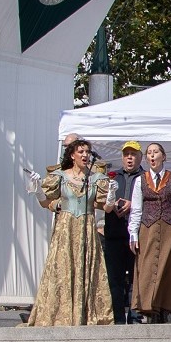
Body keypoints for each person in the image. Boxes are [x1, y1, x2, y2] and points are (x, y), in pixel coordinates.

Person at [29, 139, 115, 327]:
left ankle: (86, 315)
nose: (85, 155)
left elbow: (107, 208)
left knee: (87, 268)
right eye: (81, 151)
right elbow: (45, 202)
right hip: (66, 229)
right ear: (72, 155)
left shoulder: (96, 179)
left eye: (87, 152)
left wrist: (110, 197)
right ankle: (61, 315)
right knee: (63, 268)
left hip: (87, 228)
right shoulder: (60, 176)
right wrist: (37, 189)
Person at [125, 143, 171, 323]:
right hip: (147, 228)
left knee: (168, 268)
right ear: (147, 158)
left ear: (163, 156)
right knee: (147, 268)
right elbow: (136, 210)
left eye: (156, 152)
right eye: (149, 153)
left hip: (170, 228)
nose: (152, 156)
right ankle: (148, 308)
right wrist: (133, 234)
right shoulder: (141, 180)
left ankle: (165, 308)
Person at [103, 141, 143, 323]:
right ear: (122, 157)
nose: (129, 157)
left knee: (136, 278)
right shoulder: (112, 176)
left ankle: (134, 317)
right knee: (115, 280)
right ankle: (118, 318)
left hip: (136, 236)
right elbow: (102, 200)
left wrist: (132, 205)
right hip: (114, 234)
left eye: (133, 154)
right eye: (126, 154)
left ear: (140, 157)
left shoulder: (146, 177)